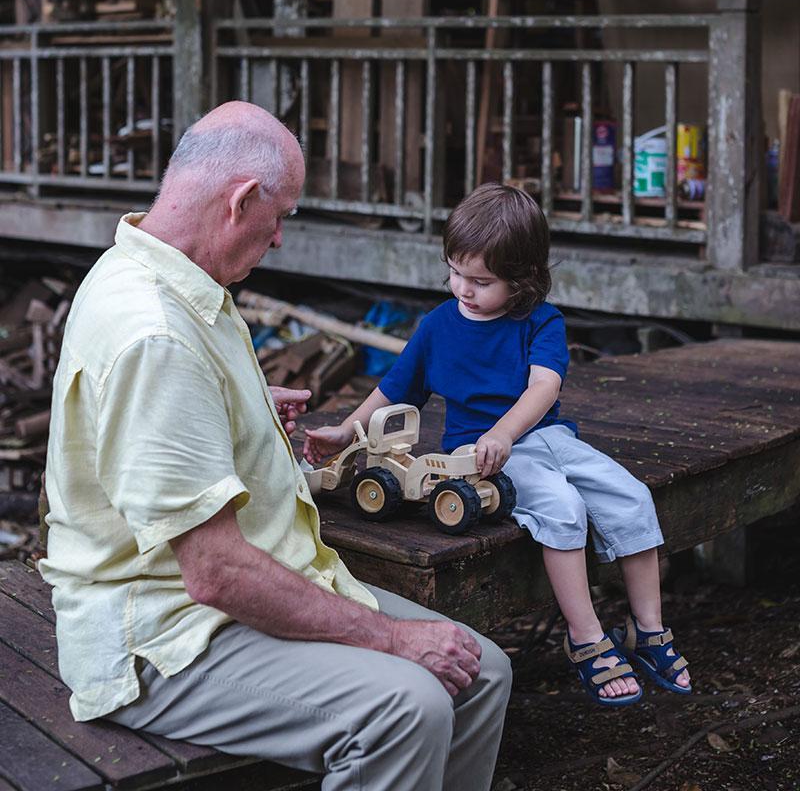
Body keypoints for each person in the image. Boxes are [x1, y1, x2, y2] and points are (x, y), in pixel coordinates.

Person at [39, 102, 512, 791]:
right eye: (281, 214)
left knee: (482, 671)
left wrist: (246, 410)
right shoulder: (156, 334)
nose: (281, 237)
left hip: (215, 597)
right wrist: (392, 640)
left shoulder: (169, 271)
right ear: (240, 201)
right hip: (161, 636)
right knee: (407, 707)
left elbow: (172, 424)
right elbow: (215, 573)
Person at [305, 182, 691, 708]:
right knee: (562, 506)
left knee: (630, 495)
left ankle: (647, 628)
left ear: (523, 279)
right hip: (479, 456)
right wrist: (346, 431)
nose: (463, 288)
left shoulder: (540, 320)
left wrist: (507, 431)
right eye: (455, 272)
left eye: (481, 281)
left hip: (542, 438)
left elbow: (544, 386)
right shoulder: (438, 326)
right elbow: (394, 388)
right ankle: (585, 638)